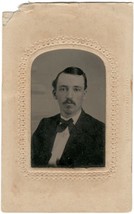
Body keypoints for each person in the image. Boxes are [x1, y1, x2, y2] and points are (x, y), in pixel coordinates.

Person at [31, 67, 105, 168]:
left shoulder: (99, 130)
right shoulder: (45, 124)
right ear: (54, 94)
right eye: (63, 89)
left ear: (84, 94)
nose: (69, 96)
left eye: (76, 89)